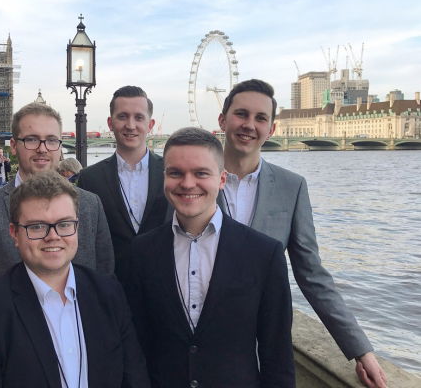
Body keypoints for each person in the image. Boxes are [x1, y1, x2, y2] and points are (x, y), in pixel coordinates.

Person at [217, 78, 387, 388]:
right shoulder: (191, 179)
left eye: (260, 118)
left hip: (261, 343)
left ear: (272, 129)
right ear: (222, 120)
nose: (249, 125)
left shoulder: (291, 187)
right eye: (241, 114)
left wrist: (360, 349)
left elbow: (312, 274)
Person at [127, 127, 294, 387]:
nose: (187, 183)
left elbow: (277, 355)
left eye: (201, 173)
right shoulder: (141, 252)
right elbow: (135, 344)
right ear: (164, 178)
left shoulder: (264, 254)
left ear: (222, 179)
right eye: (176, 173)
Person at [0, 171, 150, 387]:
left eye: (64, 224)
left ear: (77, 227)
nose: (53, 236)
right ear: (14, 233)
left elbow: (135, 377)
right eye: (37, 226)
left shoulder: (109, 294)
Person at [0, 102, 114, 315]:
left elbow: (105, 282)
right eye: (32, 139)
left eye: (51, 140)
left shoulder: (91, 205)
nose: (42, 148)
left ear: (60, 147)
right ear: (13, 146)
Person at [78, 86, 168, 286]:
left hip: (163, 284)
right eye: (122, 116)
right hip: (111, 287)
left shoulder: (171, 173)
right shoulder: (90, 178)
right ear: (110, 123)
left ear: (150, 124)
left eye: (139, 117)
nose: (130, 125)